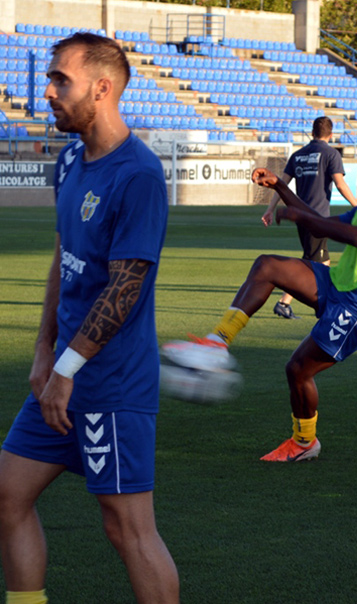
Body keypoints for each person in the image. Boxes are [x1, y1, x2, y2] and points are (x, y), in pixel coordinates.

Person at [0, 33, 179, 603]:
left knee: (126, 528)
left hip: (110, 383)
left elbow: (125, 289)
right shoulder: (73, 157)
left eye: (60, 80)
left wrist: (67, 368)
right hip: (64, 374)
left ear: (101, 89)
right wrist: (43, 350)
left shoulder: (139, 175)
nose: (46, 92)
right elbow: (65, 259)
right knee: (8, 495)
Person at [182, 128, 357, 462]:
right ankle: (217, 343)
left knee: (298, 369)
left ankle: (305, 442)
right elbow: (318, 222)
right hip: (339, 285)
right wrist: (280, 186)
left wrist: (300, 215)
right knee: (267, 266)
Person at [263, 116, 357, 319]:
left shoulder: (298, 155)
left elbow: (281, 185)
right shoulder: (331, 154)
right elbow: (340, 185)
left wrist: (270, 209)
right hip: (318, 219)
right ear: (331, 135)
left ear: (312, 132)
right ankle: (290, 303)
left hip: (300, 215)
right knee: (314, 263)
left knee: (317, 261)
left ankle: (288, 302)